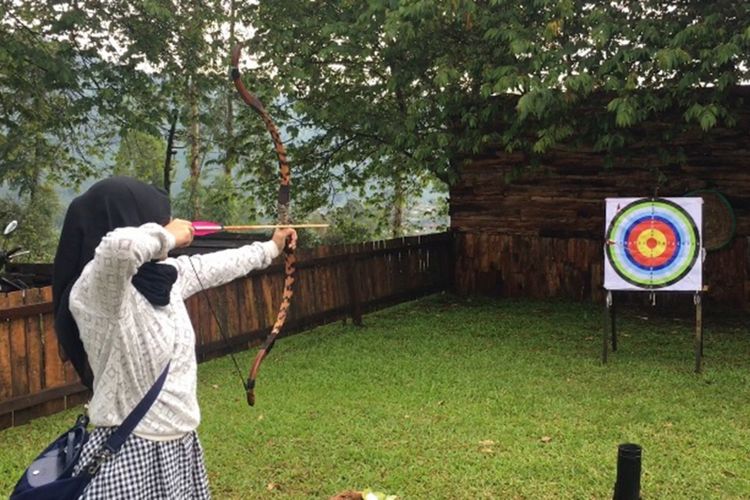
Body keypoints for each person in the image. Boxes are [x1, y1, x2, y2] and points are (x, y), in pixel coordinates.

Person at [51, 176, 297, 498]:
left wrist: (272, 247)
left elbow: (216, 265)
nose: (167, 223)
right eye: (157, 217)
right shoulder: (96, 292)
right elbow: (119, 249)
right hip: (131, 452)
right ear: (127, 219)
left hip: (181, 446)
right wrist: (168, 235)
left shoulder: (163, 278)